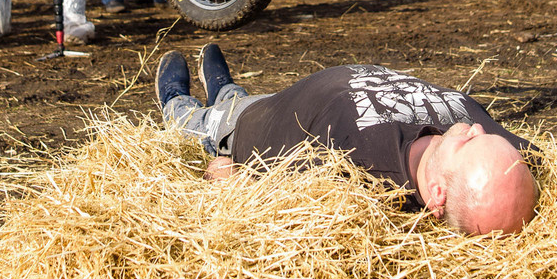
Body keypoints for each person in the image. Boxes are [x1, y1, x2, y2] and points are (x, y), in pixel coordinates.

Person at [155, 44, 537, 237]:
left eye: (469, 144)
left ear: (437, 194)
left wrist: (226, 179)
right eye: (484, 135)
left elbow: (255, 198)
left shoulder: (359, 178)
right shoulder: (495, 162)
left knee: (206, 118)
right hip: (279, 98)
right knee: (239, 97)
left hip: (244, 127)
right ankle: (225, 89)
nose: (475, 129)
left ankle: (182, 102)